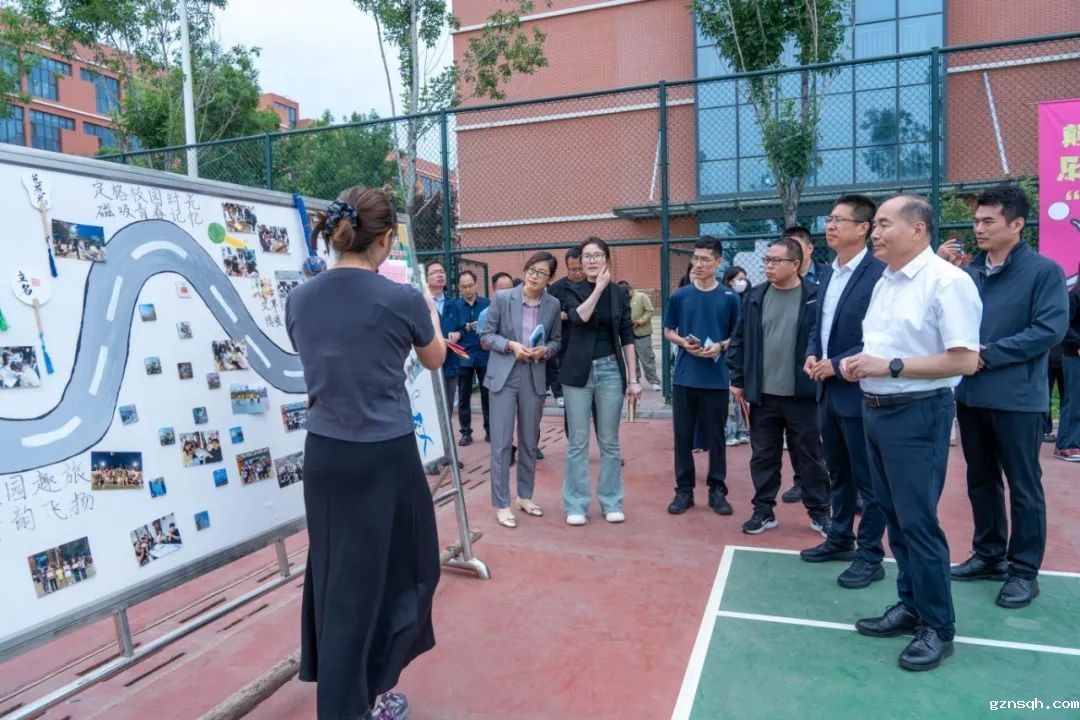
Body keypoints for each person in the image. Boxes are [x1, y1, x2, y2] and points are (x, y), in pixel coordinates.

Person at [286, 186, 447, 718]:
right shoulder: (402, 299)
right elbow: (434, 359)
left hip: (326, 458)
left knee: (339, 584)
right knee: (409, 573)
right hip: (385, 458)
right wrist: (430, 313)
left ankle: (351, 701)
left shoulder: (299, 298)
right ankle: (364, 695)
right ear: (384, 242)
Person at [842, 194, 982, 672]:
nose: (875, 232)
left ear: (918, 229)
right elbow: (885, 347)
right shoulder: (887, 279)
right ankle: (911, 605)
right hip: (876, 411)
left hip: (918, 414)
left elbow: (965, 360)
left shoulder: (948, 282)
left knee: (918, 523)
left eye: (884, 224)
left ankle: (938, 627)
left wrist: (891, 366)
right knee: (894, 518)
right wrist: (861, 363)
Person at [945, 185, 1068, 609]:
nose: (978, 228)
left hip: (1018, 399)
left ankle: (1024, 571)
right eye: (976, 221)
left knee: (1023, 486)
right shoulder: (968, 274)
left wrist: (988, 355)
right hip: (971, 395)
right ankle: (988, 554)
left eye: (988, 221)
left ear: (1016, 224)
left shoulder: (1043, 272)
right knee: (980, 481)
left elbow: (1048, 330)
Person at [799, 194, 889, 590]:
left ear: (863, 228)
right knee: (837, 471)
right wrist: (812, 353)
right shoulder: (827, 273)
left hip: (860, 391)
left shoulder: (880, 274)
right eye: (829, 219)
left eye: (839, 220)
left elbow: (879, 336)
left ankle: (870, 555)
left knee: (868, 480)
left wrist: (836, 364)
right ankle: (839, 538)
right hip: (827, 392)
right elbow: (819, 326)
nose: (830, 226)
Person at [728, 238, 830, 536]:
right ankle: (763, 511)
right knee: (763, 456)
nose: (768, 266)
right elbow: (740, 339)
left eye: (775, 261)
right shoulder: (755, 296)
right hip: (763, 396)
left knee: (810, 456)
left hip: (803, 395)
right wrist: (737, 379)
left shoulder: (815, 297)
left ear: (795, 264)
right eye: (766, 260)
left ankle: (820, 512)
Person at [561, 237, 641, 525]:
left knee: (609, 441)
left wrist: (633, 379)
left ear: (607, 259)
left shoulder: (619, 293)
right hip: (577, 372)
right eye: (587, 256)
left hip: (610, 369)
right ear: (581, 262)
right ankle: (576, 505)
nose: (592, 260)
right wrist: (598, 288)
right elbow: (579, 317)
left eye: (597, 255)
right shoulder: (571, 288)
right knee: (578, 441)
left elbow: (627, 335)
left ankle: (611, 501)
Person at [481, 252, 562, 528]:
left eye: (542, 273)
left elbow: (556, 340)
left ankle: (525, 497)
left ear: (550, 278)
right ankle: (502, 503)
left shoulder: (552, 304)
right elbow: (486, 336)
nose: (534, 276)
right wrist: (511, 345)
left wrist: (544, 351)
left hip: (533, 374)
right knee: (502, 442)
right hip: (504, 376)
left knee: (529, 441)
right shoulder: (503, 298)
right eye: (531, 269)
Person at [664, 238, 741, 516]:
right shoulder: (680, 296)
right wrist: (683, 342)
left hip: (716, 379)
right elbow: (668, 330)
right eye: (695, 258)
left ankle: (717, 489)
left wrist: (720, 346)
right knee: (682, 437)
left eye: (704, 259)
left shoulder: (730, 298)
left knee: (717, 438)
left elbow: (737, 336)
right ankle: (684, 491)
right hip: (684, 378)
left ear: (718, 262)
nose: (698, 264)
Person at [455, 270, 490, 446]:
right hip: (463, 355)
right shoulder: (454, 306)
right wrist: (465, 328)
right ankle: (465, 432)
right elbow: (451, 330)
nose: (467, 290)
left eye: (470, 285)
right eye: (464, 287)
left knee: (488, 395)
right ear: (459, 287)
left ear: (476, 284)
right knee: (464, 396)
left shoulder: (487, 304)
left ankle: (490, 430)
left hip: (484, 354)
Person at [547, 247, 585, 408]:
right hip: (565, 339)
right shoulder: (556, 288)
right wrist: (559, 316)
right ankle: (560, 394)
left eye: (580, 269)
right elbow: (546, 314)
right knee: (561, 369)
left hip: (587, 339)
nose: (578, 273)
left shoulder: (593, 285)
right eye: (573, 269)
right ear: (567, 267)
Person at [426, 259, 463, 416]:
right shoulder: (420, 302)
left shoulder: (453, 304)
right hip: (427, 363)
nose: (439, 275)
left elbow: (462, 327)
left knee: (447, 409)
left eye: (441, 272)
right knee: (429, 409)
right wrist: (440, 341)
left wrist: (458, 334)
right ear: (426, 278)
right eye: (434, 272)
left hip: (450, 363)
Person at [722, 266, 750, 447]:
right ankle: (730, 431)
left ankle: (743, 429)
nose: (743, 282)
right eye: (739, 278)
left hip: (743, 353)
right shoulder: (725, 298)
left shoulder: (747, 299)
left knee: (742, 395)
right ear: (730, 281)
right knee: (730, 395)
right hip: (727, 353)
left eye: (745, 278)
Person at [621, 280, 662, 391]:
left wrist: (641, 321)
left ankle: (654, 382)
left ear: (630, 289)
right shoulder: (621, 300)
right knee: (632, 362)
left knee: (647, 359)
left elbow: (650, 310)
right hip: (628, 336)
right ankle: (635, 381)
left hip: (642, 334)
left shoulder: (641, 296)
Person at [1056, 271, 1080, 461]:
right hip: (1074, 356)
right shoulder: (1074, 296)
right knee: (1074, 401)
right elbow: (1065, 326)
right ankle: (1067, 444)